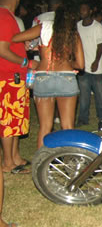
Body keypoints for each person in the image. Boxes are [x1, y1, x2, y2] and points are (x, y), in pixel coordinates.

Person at [12, 8, 84, 148]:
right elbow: (81, 64)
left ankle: (41, 164)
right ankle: (70, 163)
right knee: (67, 126)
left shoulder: (43, 27)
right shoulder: (73, 34)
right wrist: (68, 63)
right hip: (66, 78)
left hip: (43, 77)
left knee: (45, 127)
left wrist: (30, 45)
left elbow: (15, 38)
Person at [0, 0, 32, 174]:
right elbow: (2, 50)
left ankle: (14, 158)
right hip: (8, 76)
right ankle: (8, 162)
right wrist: (25, 62)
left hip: (15, 77)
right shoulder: (4, 17)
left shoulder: (8, 17)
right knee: (8, 120)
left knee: (15, 120)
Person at [76, 2, 102, 126]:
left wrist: (96, 61)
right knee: (84, 95)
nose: (82, 12)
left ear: (90, 12)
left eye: (85, 10)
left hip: (96, 67)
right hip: (83, 66)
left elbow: (100, 46)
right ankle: (83, 118)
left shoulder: (97, 27)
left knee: (99, 94)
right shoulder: (78, 26)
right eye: (81, 10)